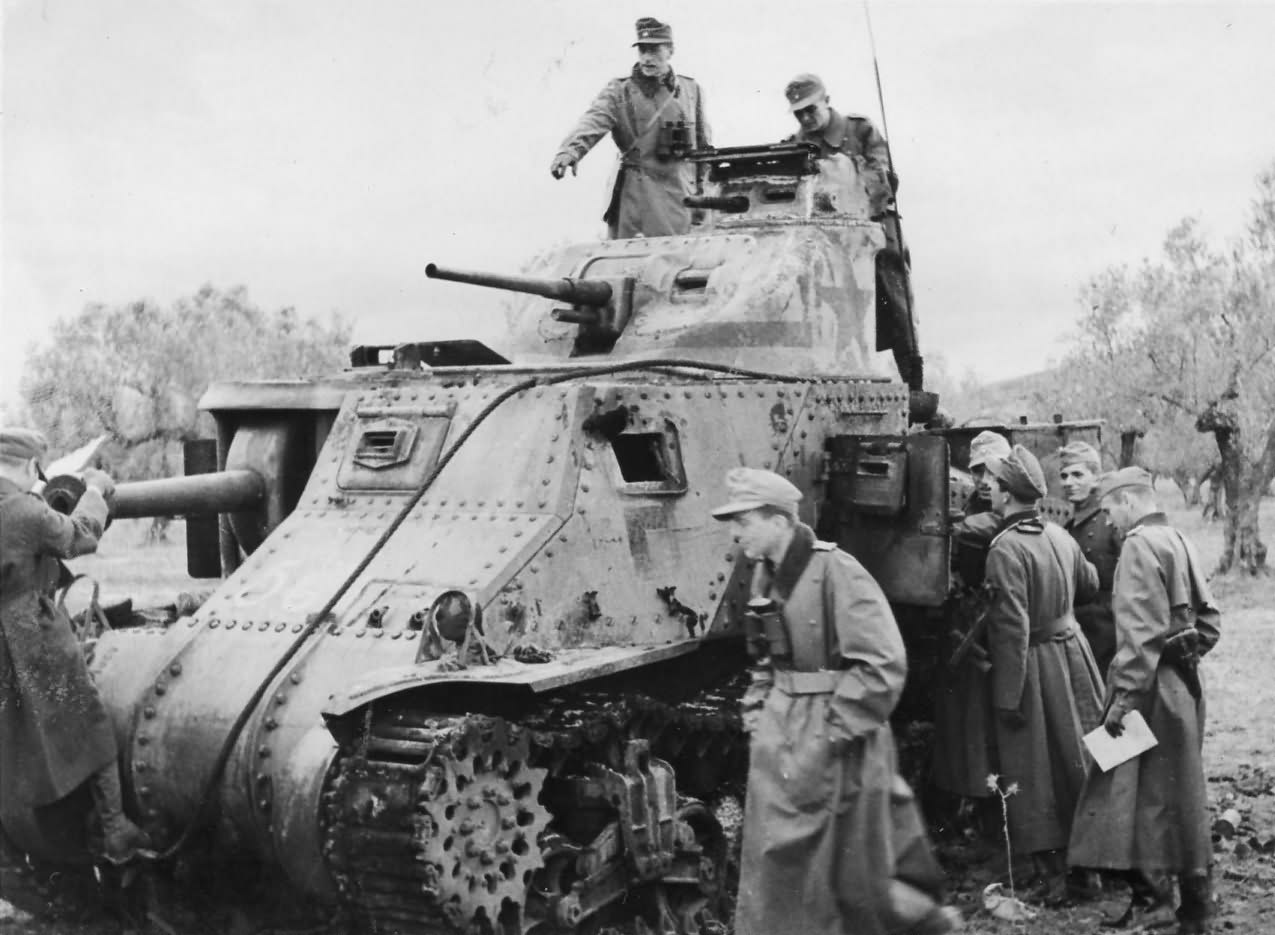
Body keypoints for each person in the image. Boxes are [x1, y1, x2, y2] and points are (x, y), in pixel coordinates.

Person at [714, 467, 961, 935]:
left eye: (743, 521)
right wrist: (759, 710)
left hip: (838, 733)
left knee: (854, 871)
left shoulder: (835, 570)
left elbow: (882, 663)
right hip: (783, 732)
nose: (735, 533)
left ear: (779, 520)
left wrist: (832, 731)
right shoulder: (764, 575)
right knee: (780, 863)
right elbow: (765, 657)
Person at [1068, 468, 1220, 934]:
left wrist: (1123, 701)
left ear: (1129, 502)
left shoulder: (1138, 545)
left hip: (1147, 691)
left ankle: (1153, 903)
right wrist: (1183, 655)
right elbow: (1210, 623)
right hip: (1184, 688)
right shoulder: (1179, 538)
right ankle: (1197, 906)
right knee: (1182, 793)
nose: (1108, 522)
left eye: (1110, 511)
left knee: (1131, 795)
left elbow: (1138, 638)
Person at [0, 428, 152, 865]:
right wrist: (96, 492)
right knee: (89, 723)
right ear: (33, 467)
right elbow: (79, 535)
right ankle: (115, 829)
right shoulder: (22, 511)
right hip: (30, 634)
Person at [982, 445, 1103, 902]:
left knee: (1035, 770)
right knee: (1081, 758)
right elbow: (1091, 584)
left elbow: (1010, 630)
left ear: (1006, 493)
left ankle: (1055, 879)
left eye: (991, 482)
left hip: (1034, 665)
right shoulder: (1059, 534)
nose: (986, 488)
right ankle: (1092, 866)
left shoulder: (1005, 548)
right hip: (1075, 654)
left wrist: (1007, 697)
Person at [782, 73, 919, 389]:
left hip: (873, 229)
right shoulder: (794, 146)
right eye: (799, 114)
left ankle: (915, 388)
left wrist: (848, 193)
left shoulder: (861, 131)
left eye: (811, 109)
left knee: (897, 311)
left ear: (827, 101)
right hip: (823, 239)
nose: (806, 118)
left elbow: (882, 180)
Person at [550, 17, 710, 240]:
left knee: (676, 254)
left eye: (654, 50)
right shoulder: (620, 91)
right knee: (629, 255)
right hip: (636, 197)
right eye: (642, 50)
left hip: (679, 195)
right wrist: (571, 150)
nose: (647, 57)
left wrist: (703, 193)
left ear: (670, 51)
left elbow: (703, 148)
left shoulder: (691, 90)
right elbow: (595, 118)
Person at [930, 430, 1012, 802]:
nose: (982, 480)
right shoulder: (976, 502)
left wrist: (954, 527)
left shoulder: (1012, 498)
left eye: (989, 471)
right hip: (971, 614)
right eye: (977, 471)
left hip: (1000, 617)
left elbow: (999, 523)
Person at [1059, 441, 1121, 676]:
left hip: (1110, 636)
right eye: (1064, 476)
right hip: (1080, 635)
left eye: (1077, 474)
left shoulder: (1111, 521)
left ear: (1096, 478)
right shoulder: (1067, 527)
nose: (1068, 482)